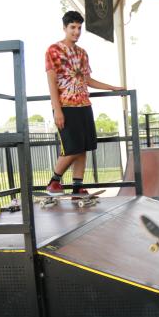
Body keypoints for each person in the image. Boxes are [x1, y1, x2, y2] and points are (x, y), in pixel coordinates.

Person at [45, 11, 124, 198]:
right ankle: (54, 181)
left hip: (84, 104)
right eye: (72, 27)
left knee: (84, 146)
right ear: (64, 28)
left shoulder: (82, 53)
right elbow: (51, 82)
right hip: (65, 105)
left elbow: (87, 79)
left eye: (79, 28)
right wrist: (57, 110)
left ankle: (77, 186)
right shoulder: (53, 50)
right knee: (72, 147)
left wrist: (112, 87)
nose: (76, 31)